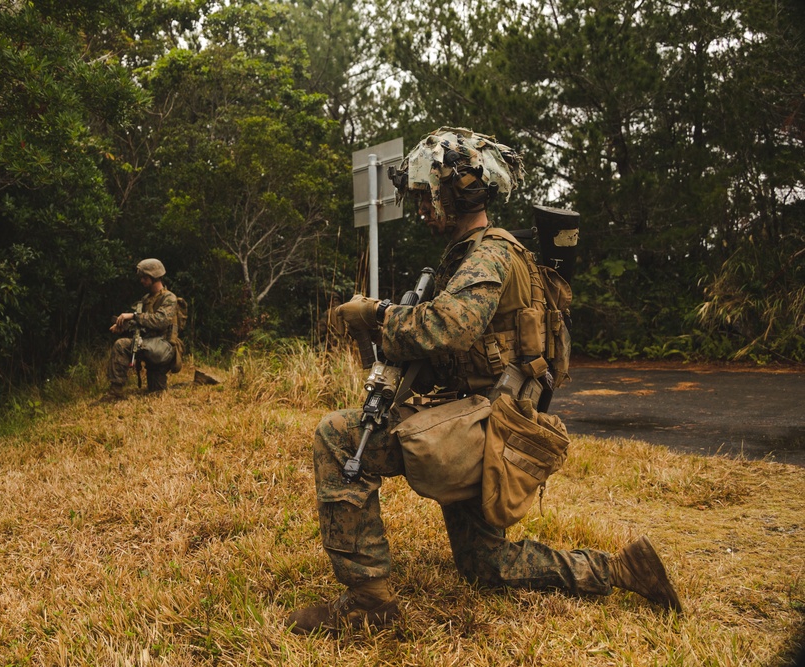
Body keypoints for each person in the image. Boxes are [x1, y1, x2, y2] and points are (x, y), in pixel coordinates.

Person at [286, 127, 682, 635]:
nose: (424, 207)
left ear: (457, 193)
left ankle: (368, 608)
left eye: (429, 195)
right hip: (488, 421)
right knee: (486, 565)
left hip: (486, 429)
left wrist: (376, 313)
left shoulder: (491, 255)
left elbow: (447, 327)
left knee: (339, 438)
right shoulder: (476, 253)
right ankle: (622, 569)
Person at [106, 258, 180, 396]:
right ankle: (116, 390)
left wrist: (133, 316)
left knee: (121, 346)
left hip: (162, 347)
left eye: (144, 278)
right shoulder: (145, 299)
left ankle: (115, 390)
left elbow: (160, 321)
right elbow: (140, 324)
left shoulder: (169, 298)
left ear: (153, 277)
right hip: (147, 345)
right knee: (155, 390)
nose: (142, 281)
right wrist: (123, 326)